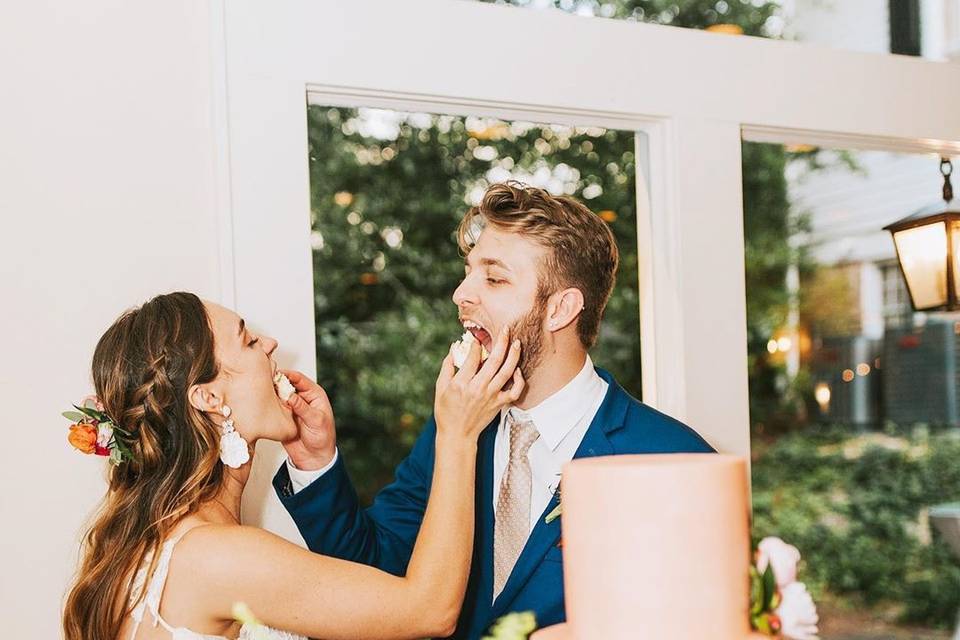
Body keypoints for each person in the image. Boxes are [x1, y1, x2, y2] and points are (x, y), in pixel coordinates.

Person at [274, 182, 716, 639]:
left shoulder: (674, 460)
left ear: (560, 309)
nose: (461, 294)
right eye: (468, 273)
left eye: (494, 278)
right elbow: (376, 573)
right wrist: (316, 461)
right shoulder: (456, 429)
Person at [63, 291, 524, 640]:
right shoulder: (218, 555)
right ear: (208, 397)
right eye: (248, 341)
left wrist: (315, 459)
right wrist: (459, 434)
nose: (270, 344)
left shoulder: (149, 546)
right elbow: (429, 611)